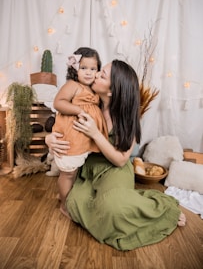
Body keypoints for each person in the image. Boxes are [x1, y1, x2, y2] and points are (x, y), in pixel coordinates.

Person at [46, 59, 186, 251]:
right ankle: (123, 200)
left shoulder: (128, 115)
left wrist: (95, 132)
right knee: (73, 203)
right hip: (88, 169)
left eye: (102, 75)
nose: (95, 75)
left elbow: (120, 160)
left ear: (111, 91)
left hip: (115, 169)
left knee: (113, 208)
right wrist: (49, 139)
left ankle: (163, 208)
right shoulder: (84, 98)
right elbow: (61, 120)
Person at [52, 47, 108, 217]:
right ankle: (64, 204)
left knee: (75, 171)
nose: (89, 73)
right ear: (74, 68)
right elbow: (58, 103)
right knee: (68, 172)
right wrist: (78, 110)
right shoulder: (72, 85)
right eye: (83, 68)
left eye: (93, 69)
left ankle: (66, 194)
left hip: (84, 140)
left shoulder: (94, 89)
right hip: (72, 137)